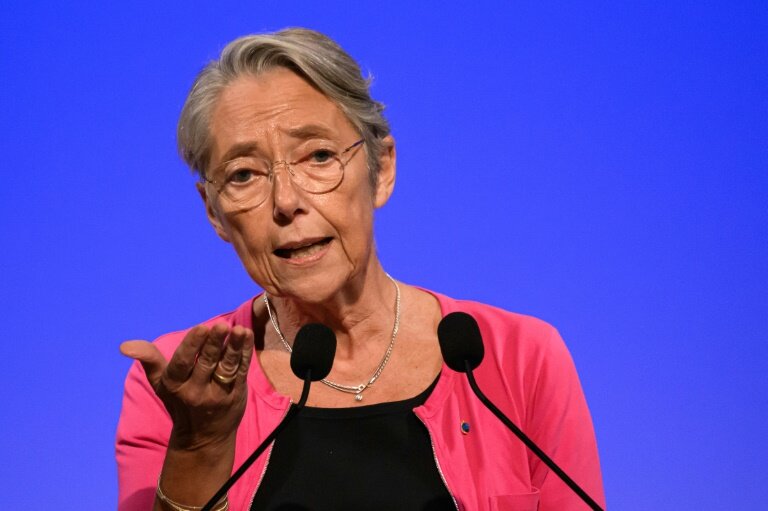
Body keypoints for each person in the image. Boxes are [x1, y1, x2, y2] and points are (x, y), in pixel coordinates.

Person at [116, 28, 605, 511]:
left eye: (319, 156)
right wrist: (200, 448)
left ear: (382, 168)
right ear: (214, 211)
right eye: (244, 174)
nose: (286, 202)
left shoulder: (517, 361)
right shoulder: (179, 386)